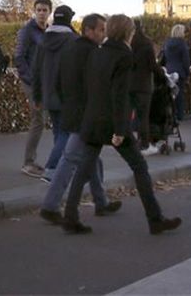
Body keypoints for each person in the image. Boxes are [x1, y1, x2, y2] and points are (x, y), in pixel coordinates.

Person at [63, 14, 182, 235]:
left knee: (83, 169)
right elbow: (119, 96)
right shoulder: (124, 56)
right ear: (127, 33)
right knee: (139, 167)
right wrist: (119, 129)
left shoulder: (97, 53)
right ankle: (155, 218)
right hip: (113, 123)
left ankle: (70, 216)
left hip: (92, 120)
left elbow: (92, 88)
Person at [39, 14, 122, 224]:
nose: (104, 34)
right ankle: (50, 205)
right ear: (88, 30)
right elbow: (98, 87)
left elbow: (58, 81)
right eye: (101, 30)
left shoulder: (69, 49)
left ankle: (101, 201)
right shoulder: (94, 53)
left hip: (71, 109)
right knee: (71, 159)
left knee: (91, 158)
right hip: (86, 114)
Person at [32, 5, 77, 181]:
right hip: (67, 94)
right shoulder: (73, 40)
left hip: (48, 94)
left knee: (59, 133)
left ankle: (61, 166)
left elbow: (36, 70)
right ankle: (51, 168)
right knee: (66, 133)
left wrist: (37, 96)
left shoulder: (43, 40)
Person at [15, 0, 52, 178]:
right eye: (39, 10)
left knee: (40, 121)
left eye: (45, 10)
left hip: (44, 82)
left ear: (50, 12)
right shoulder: (27, 31)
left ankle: (31, 160)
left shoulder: (48, 32)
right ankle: (28, 162)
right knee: (38, 119)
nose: (42, 13)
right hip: (32, 83)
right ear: (34, 11)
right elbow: (19, 57)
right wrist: (30, 79)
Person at [130, 19, 167, 155]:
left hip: (129, 84)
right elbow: (152, 65)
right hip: (143, 84)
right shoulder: (146, 44)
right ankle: (144, 144)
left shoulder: (128, 44)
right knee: (143, 116)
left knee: (128, 115)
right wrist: (161, 72)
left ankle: (129, 143)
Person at [162, 24, 190, 121]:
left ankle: (170, 114)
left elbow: (163, 57)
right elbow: (186, 60)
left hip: (168, 70)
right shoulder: (182, 44)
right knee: (180, 93)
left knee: (169, 93)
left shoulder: (167, 43)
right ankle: (180, 115)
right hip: (180, 71)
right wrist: (187, 73)